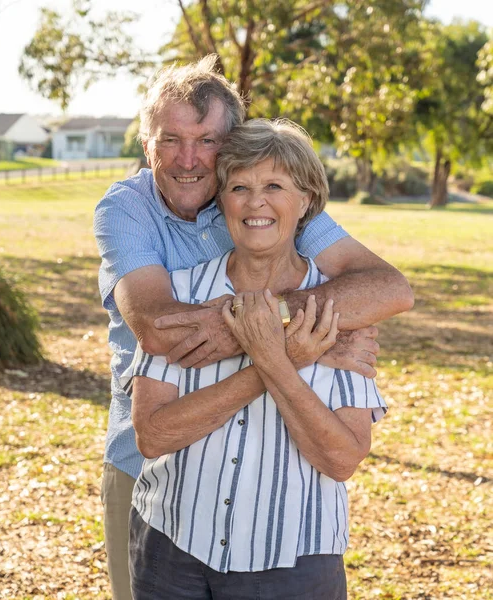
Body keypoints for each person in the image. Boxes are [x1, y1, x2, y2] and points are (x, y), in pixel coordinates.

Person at [94, 56, 413, 599]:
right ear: (147, 144)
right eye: (171, 139)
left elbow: (389, 289)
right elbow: (158, 330)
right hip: (152, 465)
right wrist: (299, 340)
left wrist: (283, 325)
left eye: (208, 140)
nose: (189, 159)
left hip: (280, 494)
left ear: (233, 141)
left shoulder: (259, 194)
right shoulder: (127, 209)